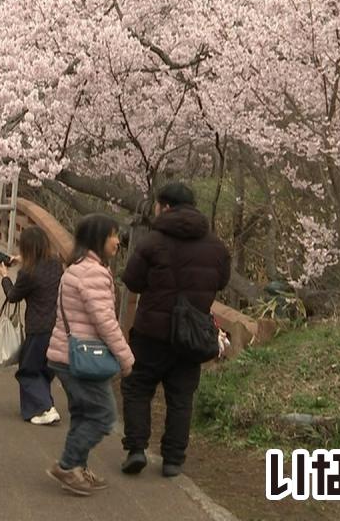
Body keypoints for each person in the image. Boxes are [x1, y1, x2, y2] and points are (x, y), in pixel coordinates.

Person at [120, 182, 230, 478]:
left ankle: (137, 449)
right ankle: (173, 460)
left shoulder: (152, 242)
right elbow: (220, 281)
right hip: (191, 333)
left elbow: (132, 280)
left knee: (138, 386)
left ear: (165, 206)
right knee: (181, 397)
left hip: (151, 333)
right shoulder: (215, 246)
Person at [45, 214, 134, 497]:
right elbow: (105, 322)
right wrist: (125, 357)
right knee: (103, 416)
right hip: (80, 359)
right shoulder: (93, 272)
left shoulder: (75, 268)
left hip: (64, 354)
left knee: (84, 415)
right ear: (98, 238)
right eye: (113, 235)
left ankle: (77, 469)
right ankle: (68, 465)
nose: (118, 241)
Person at [0, 226, 62, 425]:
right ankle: (37, 409)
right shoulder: (56, 265)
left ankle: (46, 407)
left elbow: (13, 296)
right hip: (56, 327)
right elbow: (43, 262)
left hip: (37, 328)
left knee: (28, 371)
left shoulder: (28, 273)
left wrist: (5, 276)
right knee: (44, 370)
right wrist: (19, 259)